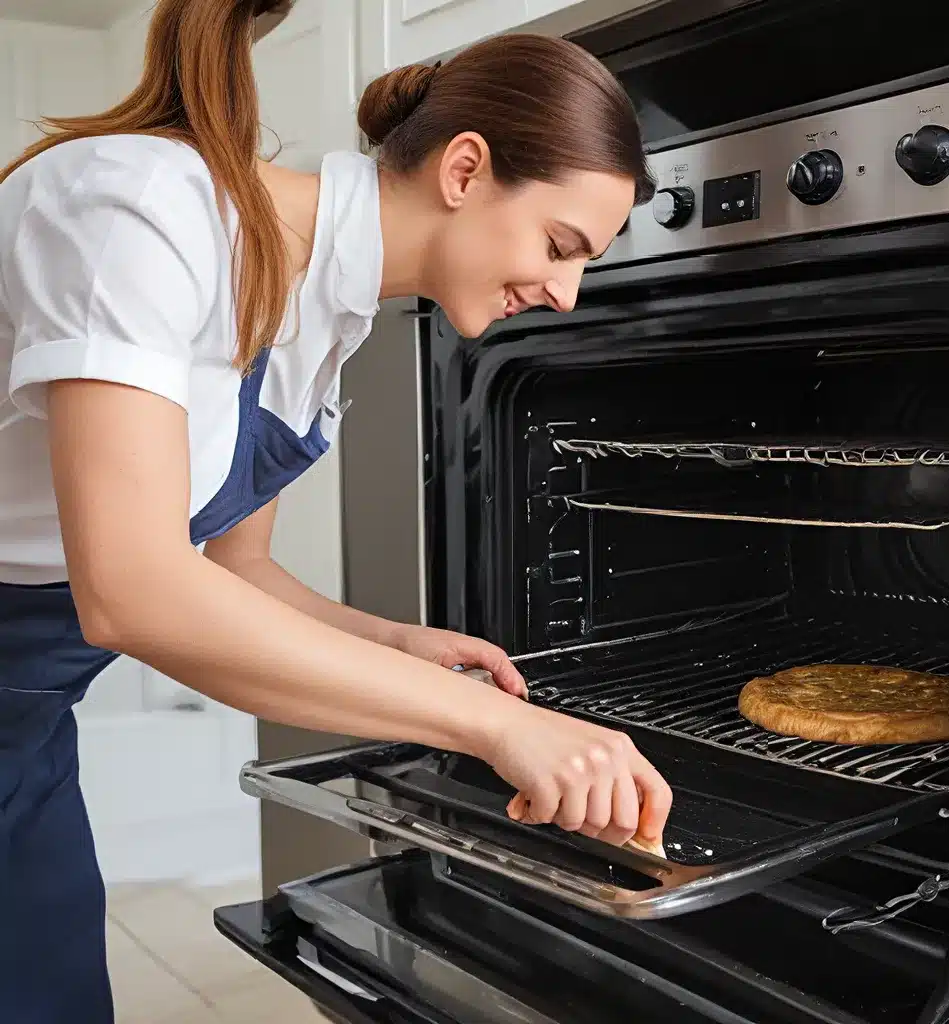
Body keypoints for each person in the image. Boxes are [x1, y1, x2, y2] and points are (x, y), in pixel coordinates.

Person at [0, 0, 673, 1019]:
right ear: (463, 170)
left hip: (24, 722)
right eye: (560, 242)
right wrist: (493, 727)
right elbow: (133, 591)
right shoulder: (139, 209)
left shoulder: (327, 314)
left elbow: (231, 567)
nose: (568, 292)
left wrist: (392, 642)